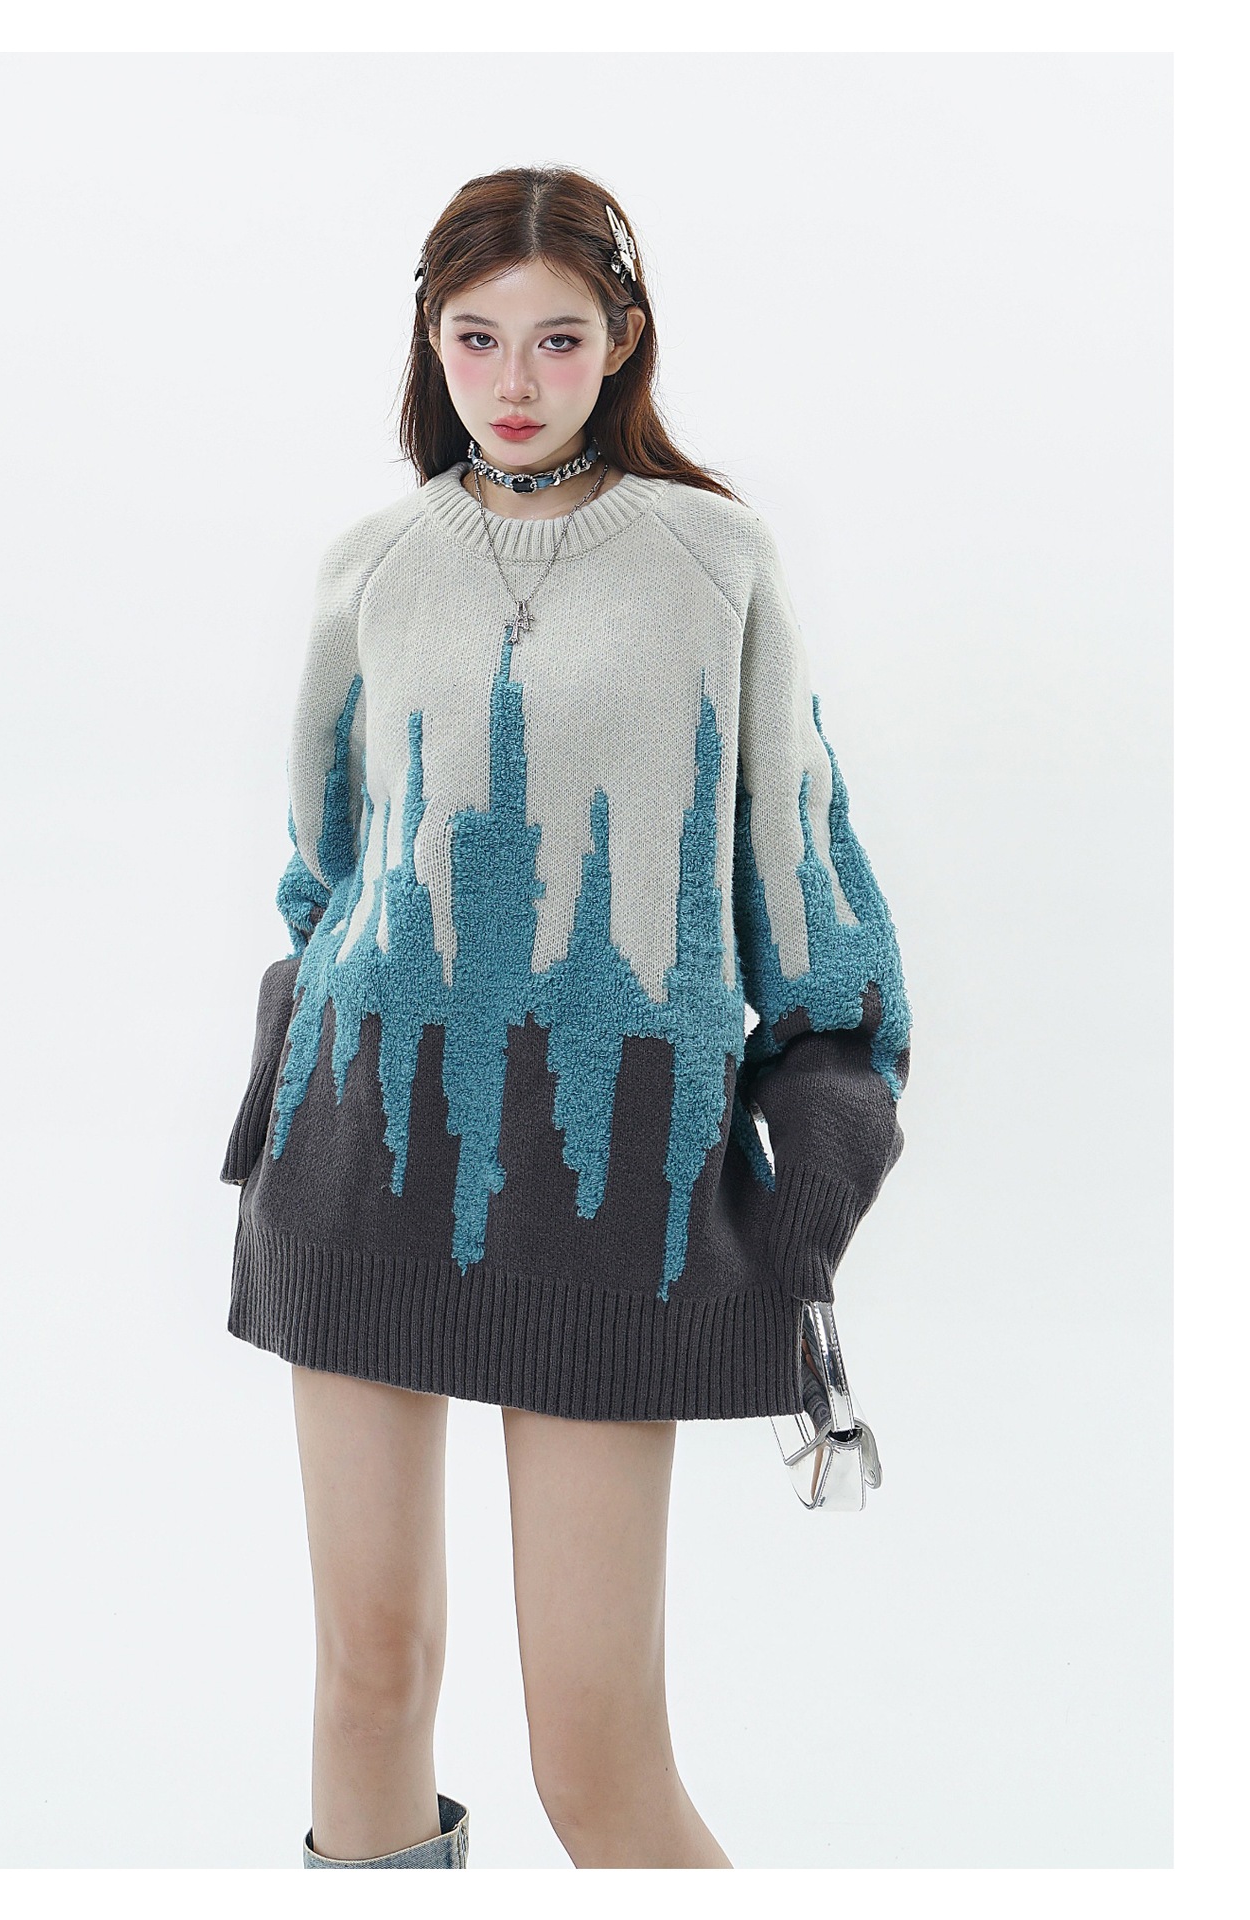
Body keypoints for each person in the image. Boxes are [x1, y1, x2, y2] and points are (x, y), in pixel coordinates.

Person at [219, 164, 912, 1870]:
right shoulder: (375, 564)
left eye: (555, 338)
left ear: (623, 342)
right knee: (367, 1681)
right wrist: (290, 1079)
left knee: (593, 1751)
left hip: (607, 1196)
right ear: (429, 343)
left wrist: (803, 1198)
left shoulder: (711, 561)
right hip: (363, 1161)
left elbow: (808, 896)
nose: (513, 380)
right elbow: (326, 868)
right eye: (475, 338)